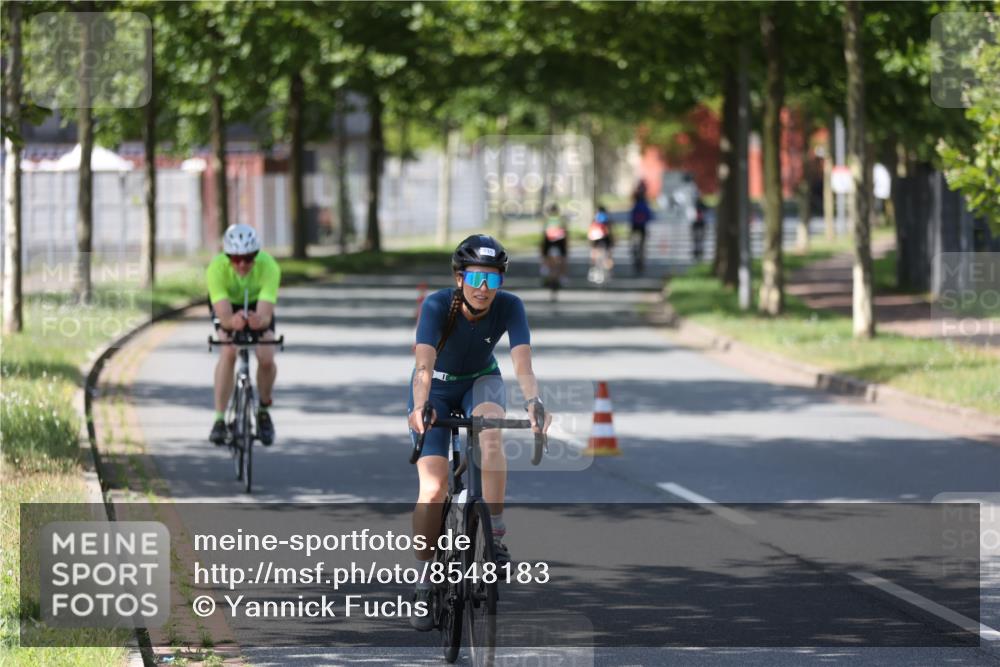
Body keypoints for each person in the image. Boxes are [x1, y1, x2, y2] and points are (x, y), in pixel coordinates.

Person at [407, 235, 551, 631]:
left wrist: (534, 401)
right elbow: (423, 365)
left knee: (490, 435)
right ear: (459, 278)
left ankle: (496, 531)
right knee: (433, 489)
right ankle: (422, 582)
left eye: (492, 280)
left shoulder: (510, 306)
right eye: (475, 278)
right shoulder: (437, 305)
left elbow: (523, 364)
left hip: (480, 381)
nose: (483, 289)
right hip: (435, 386)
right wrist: (420, 406)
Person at [206, 224, 281, 446]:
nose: (242, 264)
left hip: (258, 305)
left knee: (266, 357)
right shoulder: (216, 269)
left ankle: (264, 411)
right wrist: (231, 322)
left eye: (248, 258)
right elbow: (223, 315)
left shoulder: (269, 267)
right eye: (235, 259)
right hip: (228, 306)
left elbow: (266, 316)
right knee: (228, 351)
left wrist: (259, 322)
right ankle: (219, 420)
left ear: (256, 255)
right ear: (227, 256)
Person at [540, 203, 568, 288]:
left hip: (549, 241)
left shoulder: (547, 220)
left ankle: (545, 271)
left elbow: (544, 234)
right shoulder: (561, 219)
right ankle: (563, 276)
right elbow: (566, 233)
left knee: (545, 257)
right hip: (560, 241)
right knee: (563, 258)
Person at [629, 182, 654, 275]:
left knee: (634, 243)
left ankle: (634, 253)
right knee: (643, 245)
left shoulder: (635, 205)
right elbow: (649, 216)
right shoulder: (645, 205)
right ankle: (641, 261)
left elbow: (631, 216)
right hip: (642, 227)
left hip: (634, 226)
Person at [588, 205, 615, 283]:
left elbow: (590, 230)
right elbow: (610, 229)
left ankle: (593, 269)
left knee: (594, 252)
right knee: (609, 255)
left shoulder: (595, 218)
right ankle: (609, 272)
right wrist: (613, 240)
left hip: (595, 237)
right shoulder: (607, 218)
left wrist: (590, 241)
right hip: (606, 237)